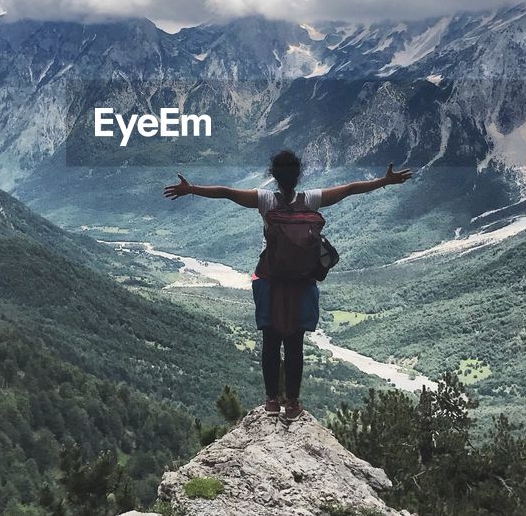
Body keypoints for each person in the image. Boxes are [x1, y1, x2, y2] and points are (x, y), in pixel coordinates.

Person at [163, 150, 413, 419]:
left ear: (273, 175)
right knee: (295, 344)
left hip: (268, 279)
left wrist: (191, 189)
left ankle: (271, 402)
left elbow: (226, 192)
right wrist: (384, 181)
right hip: (302, 281)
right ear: (298, 175)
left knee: (270, 342)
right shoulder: (312, 199)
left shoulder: (266, 200)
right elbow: (351, 189)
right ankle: (292, 404)